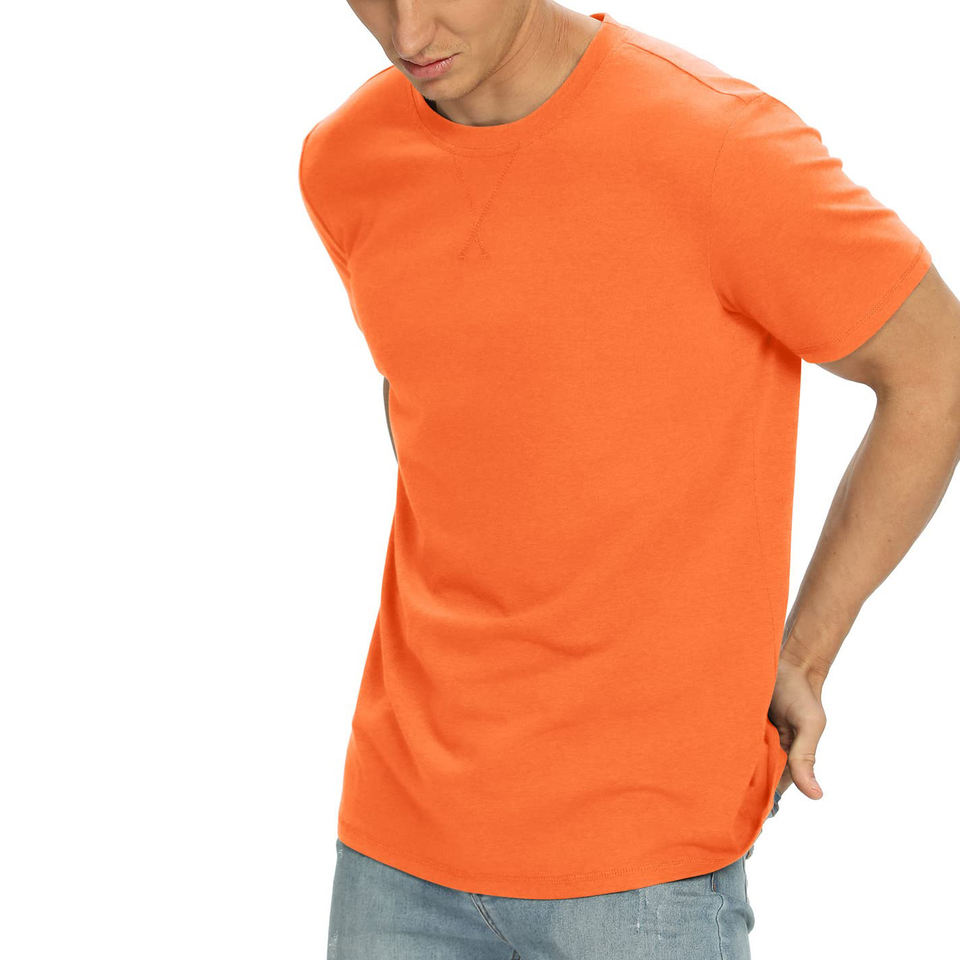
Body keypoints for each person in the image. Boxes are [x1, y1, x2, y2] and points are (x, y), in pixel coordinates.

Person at [299, 4, 960, 958]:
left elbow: (937, 369)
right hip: (396, 846)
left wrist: (805, 656)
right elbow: (443, 407)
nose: (406, 33)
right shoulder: (346, 161)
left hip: (645, 870)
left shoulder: (718, 146)